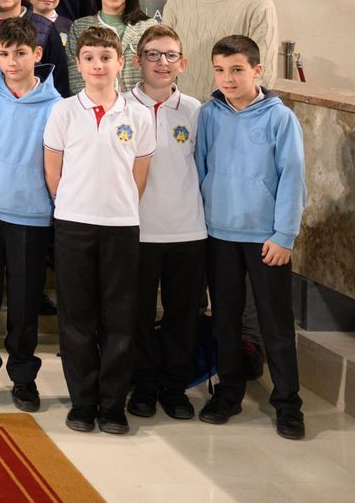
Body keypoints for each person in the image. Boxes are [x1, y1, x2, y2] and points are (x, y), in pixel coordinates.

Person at [43, 25, 154, 434]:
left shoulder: (138, 116)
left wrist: (116, 205)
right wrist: (73, 203)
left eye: (106, 58)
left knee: (119, 318)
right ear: (79, 64)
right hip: (73, 224)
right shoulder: (64, 111)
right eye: (89, 58)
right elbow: (53, 170)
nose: (98, 65)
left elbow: (139, 176)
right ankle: (82, 402)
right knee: (76, 318)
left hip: (121, 227)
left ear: (121, 64)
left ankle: (113, 405)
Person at [196, 34, 306, 441]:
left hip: (266, 239)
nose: (228, 78)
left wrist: (284, 235)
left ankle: (288, 404)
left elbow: (293, 179)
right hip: (217, 234)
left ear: (257, 70)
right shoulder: (209, 114)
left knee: (276, 325)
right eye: (220, 70)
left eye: (237, 69)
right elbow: (199, 168)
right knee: (224, 321)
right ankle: (228, 393)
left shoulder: (280, 118)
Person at [0, 17, 61, 412]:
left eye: (21, 53)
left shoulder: (58, 107)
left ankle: (23, 378)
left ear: (37, 55)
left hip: (33, 217)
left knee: (23, 304)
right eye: (4, 54)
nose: (12, 61)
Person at [125, 24, 205, 422]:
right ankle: (141, 384)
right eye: (153, 54)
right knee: (136, 312)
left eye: (170, 55)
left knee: (182, 312)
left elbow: (205, 168)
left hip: (187, 230)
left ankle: (174, 386)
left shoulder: (196, 111)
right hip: (136, 230)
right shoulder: (121, 106)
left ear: (182, 63)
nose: (161, 62)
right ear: (138, 61)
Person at [67, 0, 155, 94]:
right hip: (94, 112)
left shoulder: (149, 27)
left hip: (138, 111)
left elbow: (156, 75)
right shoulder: (80, 27)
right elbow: (76, 80)